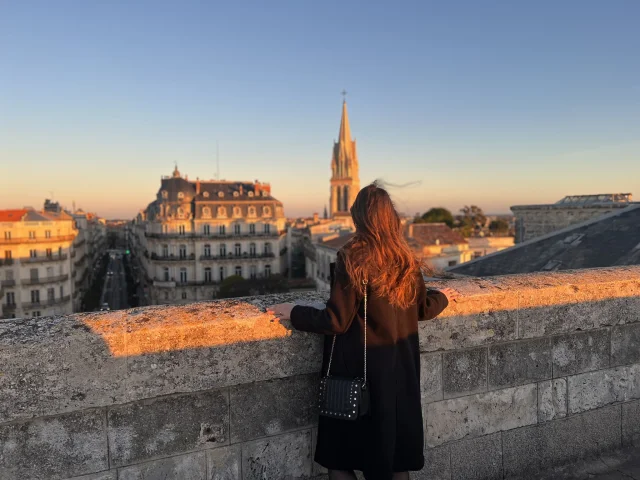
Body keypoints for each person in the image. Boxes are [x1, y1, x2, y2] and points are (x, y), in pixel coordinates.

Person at [267, 182, 458, 480]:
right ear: (390, 217)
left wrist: (294, 312)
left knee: (339, 459)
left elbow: (336, 320)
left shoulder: (352, 256)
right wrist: (445, 296)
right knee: (394, 462)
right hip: (399, 379)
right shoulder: (405, 258)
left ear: (359, 217)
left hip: (359, 380)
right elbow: (421, 309)